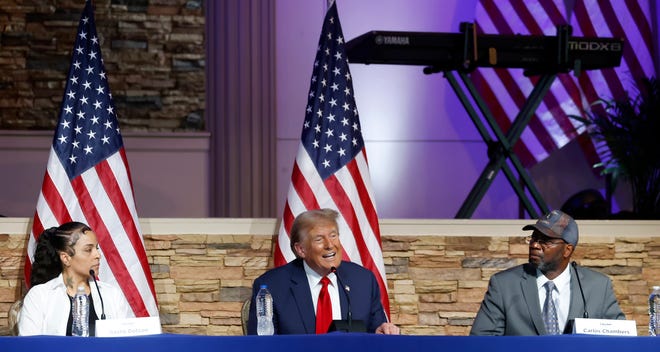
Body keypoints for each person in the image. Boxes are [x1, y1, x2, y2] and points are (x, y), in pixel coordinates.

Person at [470, 210, 625, 335]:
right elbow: (482, 342)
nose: (535, 245)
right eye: (533, 238)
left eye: (546, 241)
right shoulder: (504, 285)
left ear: (567, 250)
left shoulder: (598, 286)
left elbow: (621, 339)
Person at [247, 208, 399, 335]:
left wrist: (382, 331)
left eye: (333, 236)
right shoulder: (273, 286)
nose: (330, 245)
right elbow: (262, 344)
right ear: (301, 249)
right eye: (319, 239)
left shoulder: (363, 280)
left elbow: (376, 330)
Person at [18, 221, 133, 336]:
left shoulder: (112, 295)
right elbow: (28, 346)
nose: (98, 255)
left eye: (96, 248)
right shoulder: (39, 296)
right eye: (88, 250)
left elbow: (129, 341)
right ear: (66, 258)